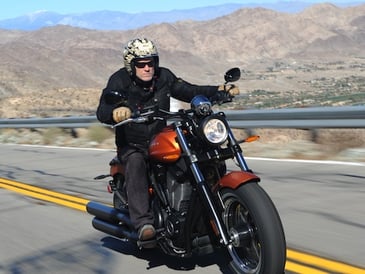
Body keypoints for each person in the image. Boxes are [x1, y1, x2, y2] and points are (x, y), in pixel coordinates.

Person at [96, 38, 239, 244]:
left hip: (160, 137)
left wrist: (220, 89)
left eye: (151, 62)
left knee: (196, 151)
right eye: (141, 64)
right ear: (131, 65)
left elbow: (188, 90)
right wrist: (115, 112)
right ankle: (143, 222)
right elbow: (103, 110)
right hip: (133, 144)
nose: (147, 68)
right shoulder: (119, 80)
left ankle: (198, 208)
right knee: (136, 162)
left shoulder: (164, 76)